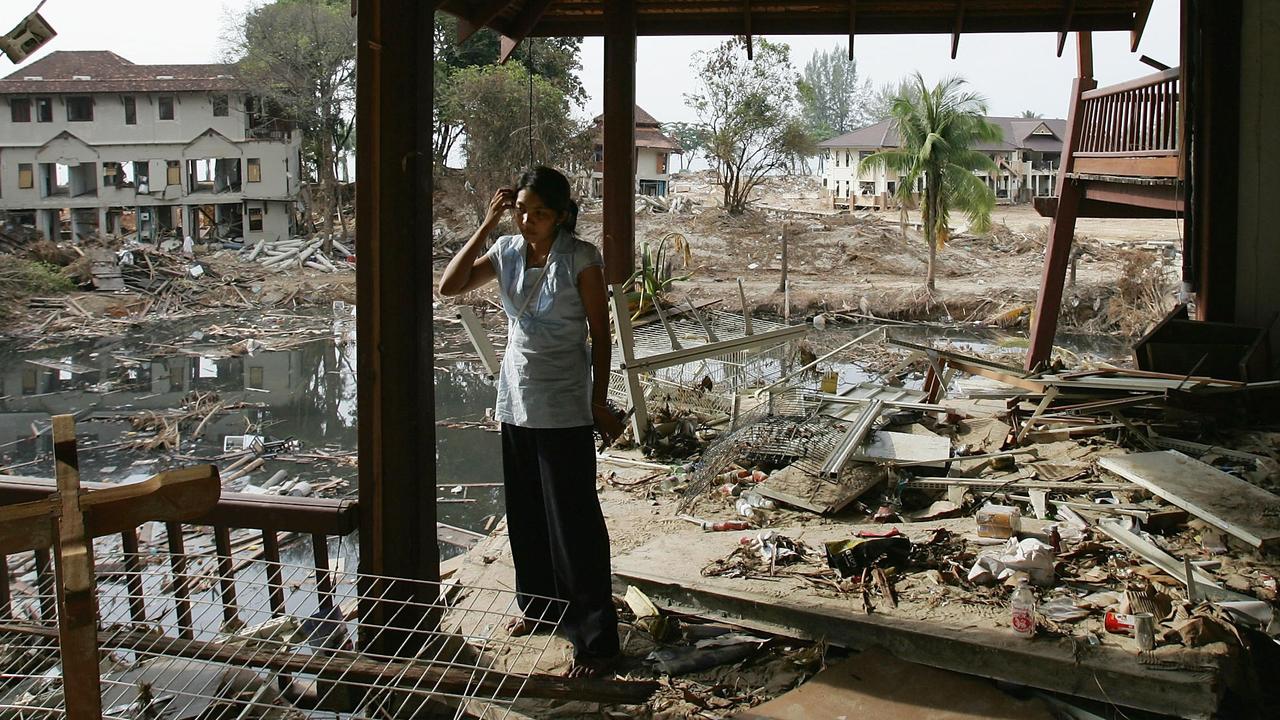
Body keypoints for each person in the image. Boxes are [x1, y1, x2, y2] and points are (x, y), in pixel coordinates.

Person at [439, 166, 624, 678]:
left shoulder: (582, 259)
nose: (528, 220)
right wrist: (486, 223)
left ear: (563, 215)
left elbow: (600, 336)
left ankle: (596, 640)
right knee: (526, 511)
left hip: (564, 401)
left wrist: (598, 401)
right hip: (516, 399)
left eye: (540, 212)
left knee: (574, 521)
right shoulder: (507, 253)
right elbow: (449, 285)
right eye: (521, 210)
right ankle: (540, 608)